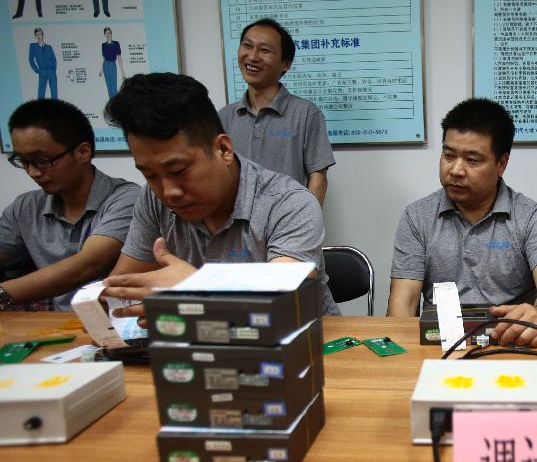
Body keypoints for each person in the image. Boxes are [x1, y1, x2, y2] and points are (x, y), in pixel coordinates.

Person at [102, 72, 339, 319]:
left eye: (178, 170)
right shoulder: (153, 200)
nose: (169, 191)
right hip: (204, 341)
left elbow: (283, 293)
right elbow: (120, 290)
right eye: (150, 175)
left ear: (224, 149)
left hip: (306, 342)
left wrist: (196, 287)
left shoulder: (289, 201)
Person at [386, 98, 537, 346]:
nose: (456, 170)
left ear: (501, 164)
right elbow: (404, 300)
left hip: (510, 341)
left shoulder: (531, 217)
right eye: (448, 155)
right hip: (440, 342)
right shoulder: (418, 216)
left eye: (472, 160)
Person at [0, 99, 139, 311]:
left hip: (114, 324)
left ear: (83, 152)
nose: (33, 172)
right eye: (24, 162)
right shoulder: (25, 207)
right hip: (55, 327)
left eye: (43, 160)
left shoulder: (127, 198)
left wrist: (3, 294)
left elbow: (87, 265)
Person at [218, 18, 335, 206]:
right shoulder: (225, 116)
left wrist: (305, 226)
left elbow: (318, 177)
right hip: (235, 230)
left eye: (265, 50)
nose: (253, 56)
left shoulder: (306, 113)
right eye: (247, 46)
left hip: (288, 228)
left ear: (286, 64)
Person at [29, 28, 57, 99]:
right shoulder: (33, 46)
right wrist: (37, 70)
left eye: (40, 34)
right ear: (35, 36)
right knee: (41, 92)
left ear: (43, 35)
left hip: (51, 71)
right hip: (42, 71)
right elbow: (31, 59)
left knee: (54, 91)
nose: (39, 36)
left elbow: (54, 59)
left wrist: (53, 69)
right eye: (37, 34)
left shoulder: (49, 47)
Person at [99, 27, 124, 98]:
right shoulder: (103, 45)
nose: (108, 34)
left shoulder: (116, 43)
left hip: (112, 64)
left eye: (109, 32)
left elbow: (119, 57)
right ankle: (111, 104)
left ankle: (117, 104)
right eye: (106, 33)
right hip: (105, 65)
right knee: (109, 87)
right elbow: (104, 57)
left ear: (111, 33)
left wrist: (123, 73)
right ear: (104, 34)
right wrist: (101, 70)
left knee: (113, 88)